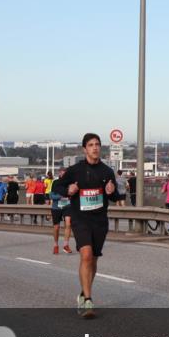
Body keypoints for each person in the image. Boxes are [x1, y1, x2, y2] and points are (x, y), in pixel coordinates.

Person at [52, 133, 123, 318]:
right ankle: (88, 301)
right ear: (85, 149)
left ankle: (83, 293)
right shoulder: (75, 170)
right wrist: (68, 190)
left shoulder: (107, 171)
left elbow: (115, 196)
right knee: (86, 255)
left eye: (97, 144)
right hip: (80, 218)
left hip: (99, 220)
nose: (95, 148)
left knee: (94, 260)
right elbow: (56, 187)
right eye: (91, 145)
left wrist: (112, 191)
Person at [50, 170, 74, 255]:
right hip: (56, 207)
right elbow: (51, 196)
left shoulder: (70, 183)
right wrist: (61, 196)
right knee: (56, 227)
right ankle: (56, 245)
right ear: (59, 174)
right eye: (62, 174)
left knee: (68, 224)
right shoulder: (55, 182)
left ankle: (65, 245)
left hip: (67, 206)